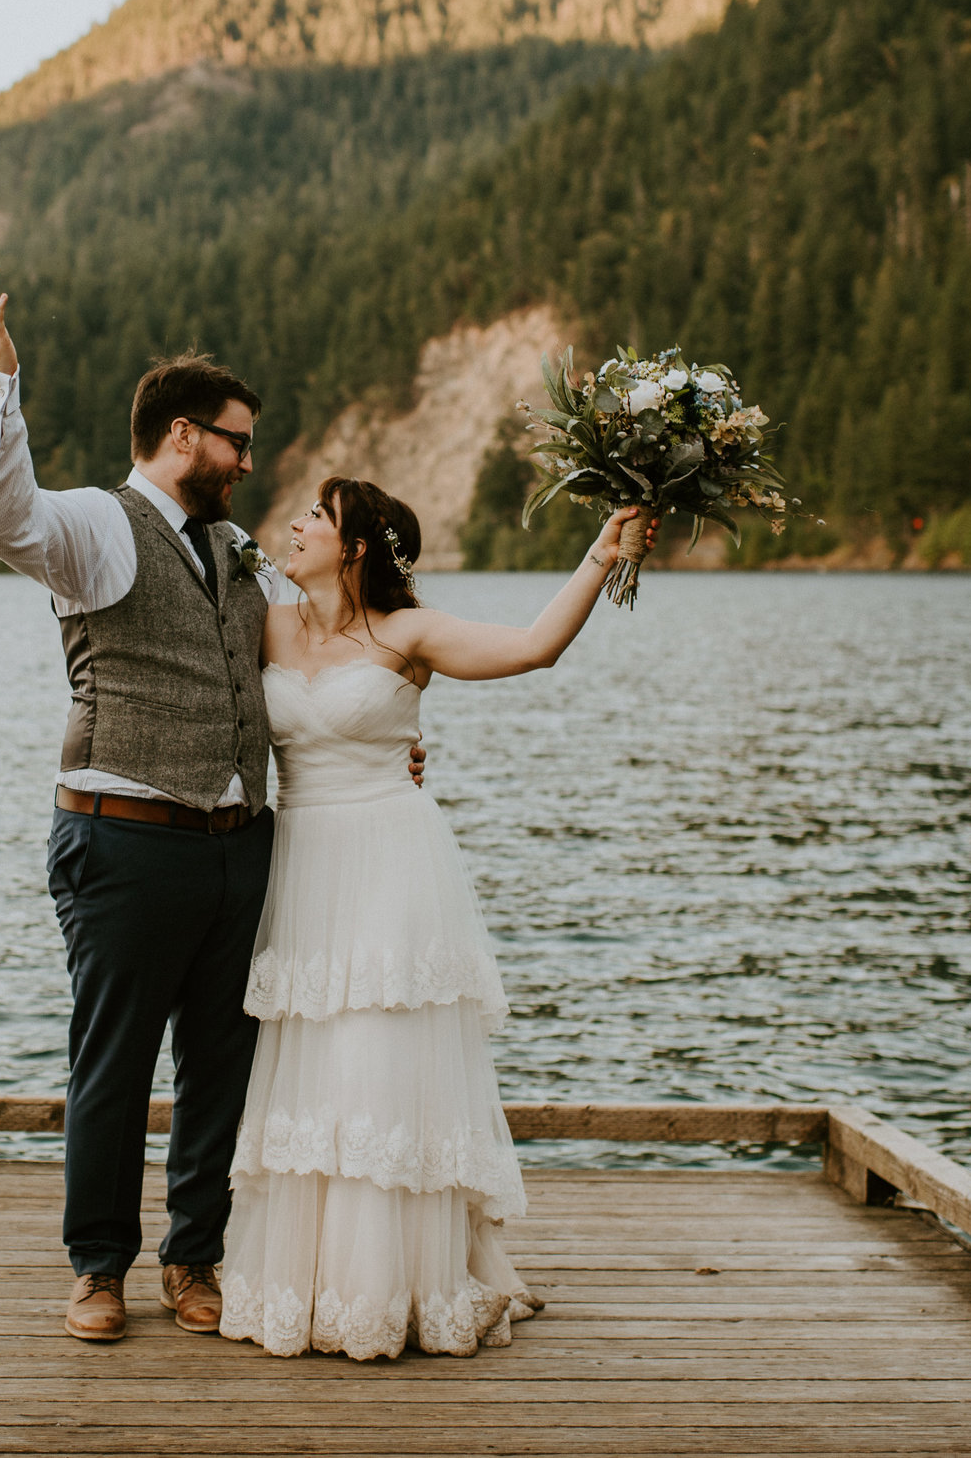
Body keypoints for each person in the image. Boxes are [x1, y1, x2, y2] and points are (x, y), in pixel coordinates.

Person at [0, 266, 422, 1345]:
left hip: (237, 846)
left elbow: (328, 645)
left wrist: (397, 727)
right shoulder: (91, 526)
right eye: (237, 441)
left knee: (222, 1065)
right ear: (182, 434)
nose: (251, 461)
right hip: (122, 840)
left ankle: (193, 1259)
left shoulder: (240, 553)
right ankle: (96, 1270)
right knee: (111, 1063)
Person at [219, 477, 650, 1359]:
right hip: (301, 864)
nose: (293, 525)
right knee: (312, 1069)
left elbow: (533, 648)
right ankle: (311, 1286)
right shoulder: (266, 617)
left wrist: (601, 555)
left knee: (376, 1063)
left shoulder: (407, 634)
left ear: (357, 547)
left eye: (315, 517)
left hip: (388, 863)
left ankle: (392, 1288)